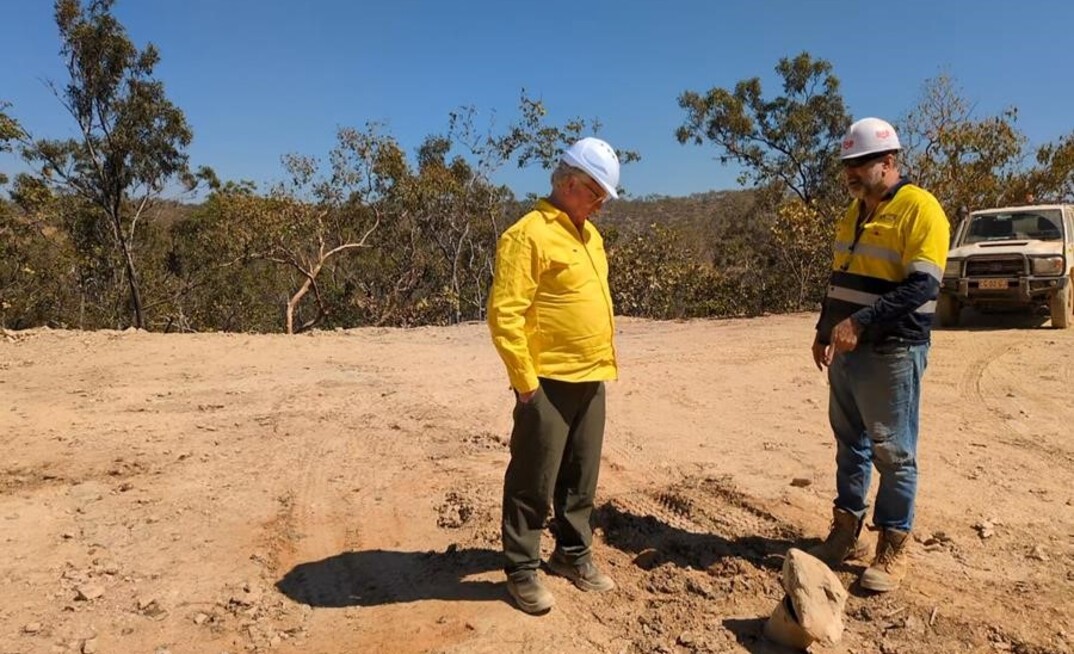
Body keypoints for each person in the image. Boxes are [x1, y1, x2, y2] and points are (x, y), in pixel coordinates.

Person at [809, 117, 950, 592]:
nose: (851, 172)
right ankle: (846, 533)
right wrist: (823, 329)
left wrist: (859, 323)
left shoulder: (920, 209)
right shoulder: (853, 212)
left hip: (892, 351)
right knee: (850, 445)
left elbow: (923, 285)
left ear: (888, 162)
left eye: (860, 163)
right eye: (847, 164)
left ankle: (894, 546)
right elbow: (840, 279)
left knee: (894, 452)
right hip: (846, 351)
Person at [487, 137, 620, 614]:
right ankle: (521, 570)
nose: (601, 204)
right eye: (596, 193)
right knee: (533, 476)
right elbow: (505, 314)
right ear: (569, 184)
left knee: (581, 475)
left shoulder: (590, 236)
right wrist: (524, 383)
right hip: (545, 380)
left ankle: (572, 553)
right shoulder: (528, 235)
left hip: (591, 375)